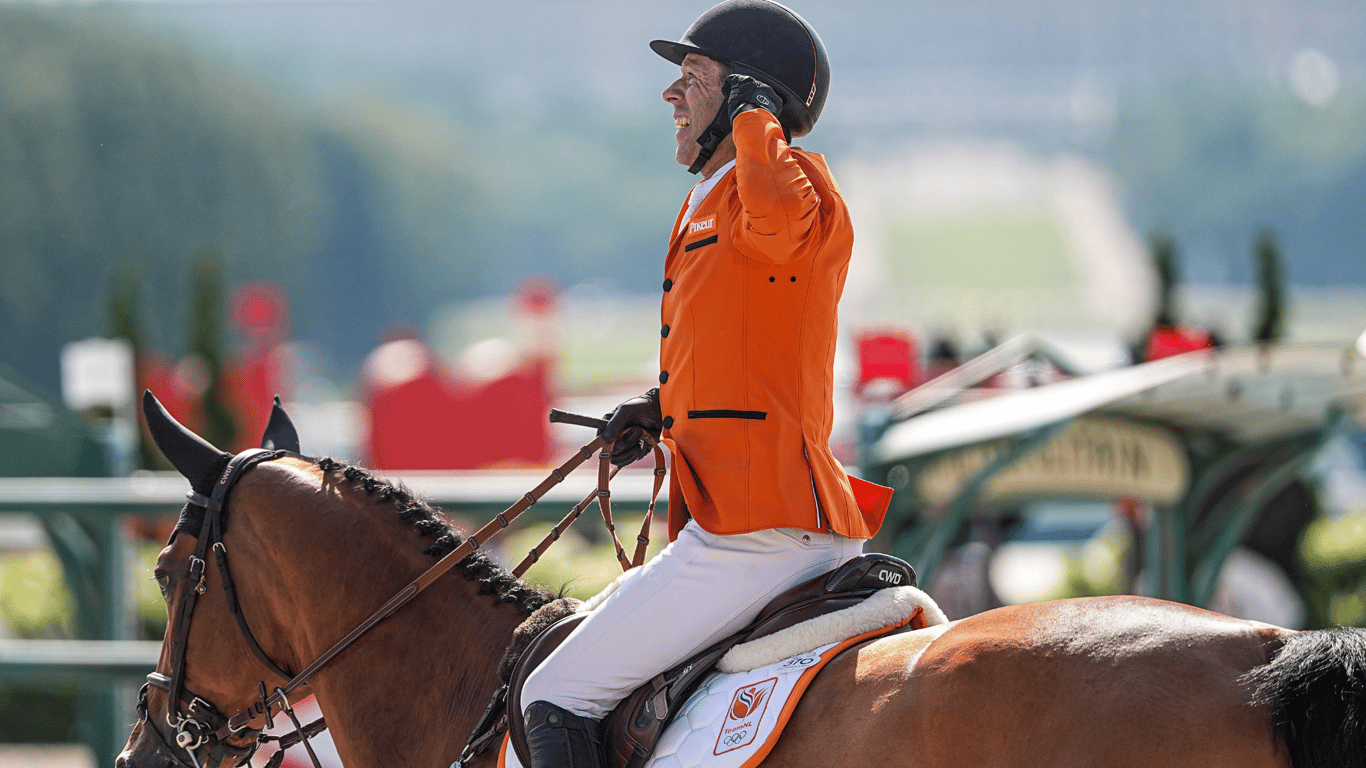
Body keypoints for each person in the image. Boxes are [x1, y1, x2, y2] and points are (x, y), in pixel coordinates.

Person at [519, 3, 891, 766]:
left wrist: (757, 119)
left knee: (552, 695)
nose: (671, 95)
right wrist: (665, 410)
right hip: (731, 519)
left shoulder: (794, 193)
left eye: (693, 78)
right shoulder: (711, 200)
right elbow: (749, 341)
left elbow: (778, 223)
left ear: (751, 96)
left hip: (761, 529)